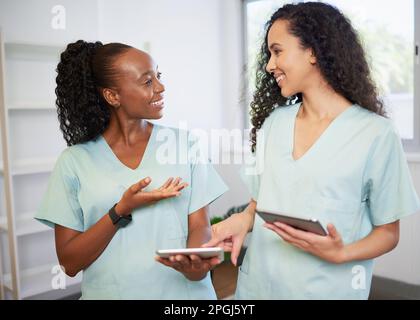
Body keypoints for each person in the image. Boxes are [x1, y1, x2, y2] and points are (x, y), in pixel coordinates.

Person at [203, 2, 420, 299]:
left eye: (277, 51)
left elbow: (388, 233)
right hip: (258, 288)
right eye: (268, 55)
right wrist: (242, 219)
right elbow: (261, 202)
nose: (269, 65)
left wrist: (341, 253)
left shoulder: (375, 134)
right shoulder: (274, 124)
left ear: (313, 51)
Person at [35, 40, 228, 299]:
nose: (161, 87)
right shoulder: (74, 162)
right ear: (113, 96)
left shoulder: (184, 144)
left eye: (158, 76)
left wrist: (195, 265)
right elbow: (69, 263)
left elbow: (199, 226)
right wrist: (120, 211)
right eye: (147, 81)